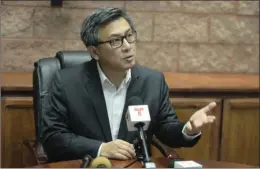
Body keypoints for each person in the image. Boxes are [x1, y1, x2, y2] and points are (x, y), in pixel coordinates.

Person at [40, 7, 217, 162]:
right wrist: (101, 149)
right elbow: (52, 137)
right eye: (115, 41)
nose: (127, 46)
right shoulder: (67, 82)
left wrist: (188, 129)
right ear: (94, 52)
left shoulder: (153, 81)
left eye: (129, 36)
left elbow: (166, 128)